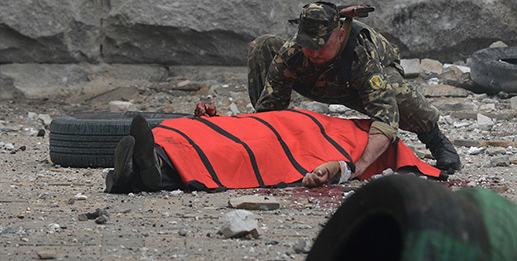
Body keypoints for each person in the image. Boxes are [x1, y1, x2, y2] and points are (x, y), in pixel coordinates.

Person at [247, 1, 461, 184]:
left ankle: (435, 139)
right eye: (307, 45)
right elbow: (270, 103)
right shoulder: (293, 53)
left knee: (403, 99)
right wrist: (259, 140)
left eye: (320, 45)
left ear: (340, 35)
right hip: (316, 81)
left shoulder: (361, 55)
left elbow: (385, 119)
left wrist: (359, 167)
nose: (312, 52)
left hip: (355, 84)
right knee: (262, 45)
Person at [105, 111, 443, 193]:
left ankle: (146, 174)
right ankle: (149, 161)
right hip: (286, 124)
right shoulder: (352, 125)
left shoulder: (375, 145)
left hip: (290, 143)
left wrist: (337, 170)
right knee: (203, 129)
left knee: (237, 153)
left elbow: (346, 166)